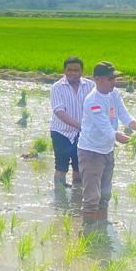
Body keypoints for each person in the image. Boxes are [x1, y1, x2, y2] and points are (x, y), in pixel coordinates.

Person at [77, 62, 136, 221]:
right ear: (98, 79)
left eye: (115, 79)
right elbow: (109, 131)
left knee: (104, 195)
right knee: (92, 198)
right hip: (91, 153)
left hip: (107, 151)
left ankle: (102, 229)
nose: (114, 82)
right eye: (110, 79)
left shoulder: (114, 93)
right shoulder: (93, 101)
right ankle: (89, 234)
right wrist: (135, 141)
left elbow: (126, 118)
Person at [49, 56, 95, 189]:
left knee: (79, 166)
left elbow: (96, 108)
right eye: (70, 70)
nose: (73, 73)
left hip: (83, 134)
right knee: (61, 166)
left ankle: (77, 197)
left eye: (76, 70)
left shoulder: (91, 86)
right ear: (64, 70)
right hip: (61, 132)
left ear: (82, 71)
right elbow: (59, 112)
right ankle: (60, 198)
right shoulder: (57, 87)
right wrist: (80, 126)